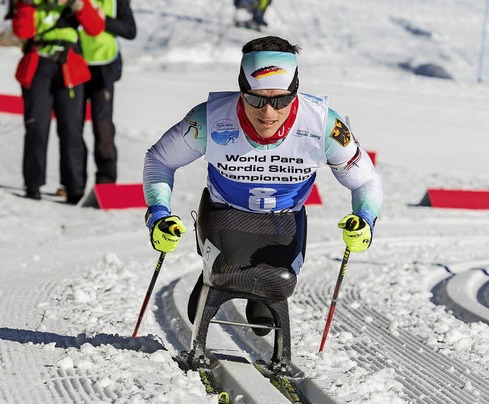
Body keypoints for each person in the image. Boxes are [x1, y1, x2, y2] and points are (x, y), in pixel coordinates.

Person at [142, 36, 383, 365]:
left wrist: (365, 219)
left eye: (282, 100)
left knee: (276, 291)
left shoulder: (322, 124)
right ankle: (216, 277)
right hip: (224, 216)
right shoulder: (210, 118)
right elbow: (160, 160)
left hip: (283, 222)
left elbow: (366, 179)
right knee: (223, 276)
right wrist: (158, 213)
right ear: (241, 88)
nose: (268, 113)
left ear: (295, 91)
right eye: (255, 100)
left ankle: (254, 294)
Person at [11, 0, 106, 203]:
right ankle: (33, 184)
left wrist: (77, 5)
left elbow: (95, 28)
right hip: (37, 66)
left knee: (71, 129)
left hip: (69, 66)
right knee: (36, 127)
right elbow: (22, 32)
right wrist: (26, 4)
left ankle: (74, 187)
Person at [80, 0, 136, 185]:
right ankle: (74, 183)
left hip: (103, 68)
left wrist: (101, 20)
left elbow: (130, 30)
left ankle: (106, 180)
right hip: (73, 65)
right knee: (72, 129)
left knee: (102, 125)